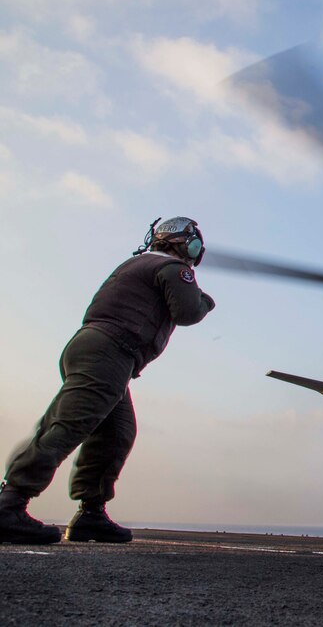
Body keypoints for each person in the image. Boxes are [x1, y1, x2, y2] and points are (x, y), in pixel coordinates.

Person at [0, 217, 215, 545]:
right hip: (109, 352)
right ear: (190, 246)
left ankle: (91, 514)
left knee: (117, 432)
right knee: (68, 425)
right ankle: (10, 503)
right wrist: (205, 300)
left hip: (101, 350)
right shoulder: (172, 268)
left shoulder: (138, 264)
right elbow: (186, 311)